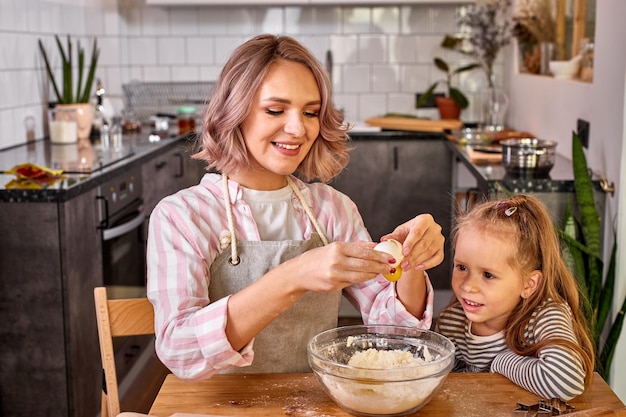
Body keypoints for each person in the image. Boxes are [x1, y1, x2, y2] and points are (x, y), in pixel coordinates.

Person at [146, 34, 445, 380]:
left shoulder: (332, 210)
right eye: (275, 110)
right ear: (235, 111)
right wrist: (294, 276)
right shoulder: (183, 217)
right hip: (219, 405)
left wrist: (410, 261)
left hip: (315, 402)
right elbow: (179, 350)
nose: (297, 128)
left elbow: (392, 329)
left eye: (311, 112)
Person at [436, 194, 595, 401]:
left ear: (528, 284)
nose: (468, 285)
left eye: (488, 275)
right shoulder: (452, 322)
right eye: (462, 267)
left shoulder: (545, 315)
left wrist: (500, 362)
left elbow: (565, 382)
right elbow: (444, 388)